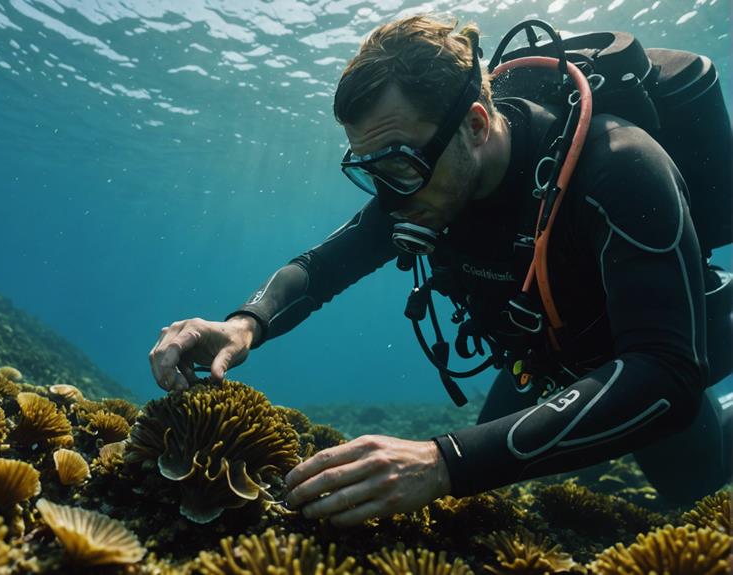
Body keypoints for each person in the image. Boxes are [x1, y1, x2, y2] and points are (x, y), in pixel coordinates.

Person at [149, 14, 732, 527]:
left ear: (476, 125)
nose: (388, 195)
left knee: (690, 486)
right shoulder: (423, 177)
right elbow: (320, 266)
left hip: (663, 346)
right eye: (368, 170)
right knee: (474, 472)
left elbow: (664, 375)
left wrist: (441, 462)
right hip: (548, 354)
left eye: (398, 163)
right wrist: (244, 324)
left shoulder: (621, 167)